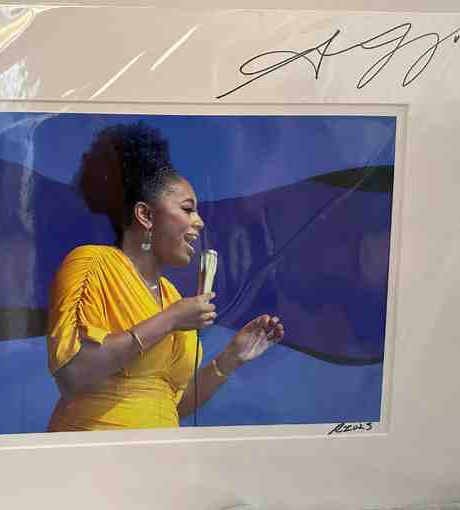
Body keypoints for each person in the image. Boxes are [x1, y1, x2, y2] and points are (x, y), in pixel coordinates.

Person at [46, 121, 284, 431]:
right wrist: (170, 320)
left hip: (163, 452)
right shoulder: (92, 263)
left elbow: (169, 405)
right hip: (96, 450)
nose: (199, 222)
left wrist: (230, 358)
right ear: (145, 215)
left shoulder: (172, 296)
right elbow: (72, 374)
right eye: (187, 209)